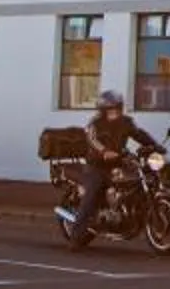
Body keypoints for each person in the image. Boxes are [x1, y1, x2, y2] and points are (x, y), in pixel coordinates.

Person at [61, 89, 157, 234]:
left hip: (118, 163)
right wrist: (104, 151)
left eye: (118, 108)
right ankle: (76, 234)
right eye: (112, 109)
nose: (116, 111)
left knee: (137, 179)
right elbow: (92, 140)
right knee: (91, 194)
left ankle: (127, 213)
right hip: (97, 165)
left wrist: (153, 145)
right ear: (103, 110)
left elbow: (138, 134)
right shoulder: (95, 123)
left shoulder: (126, 122)